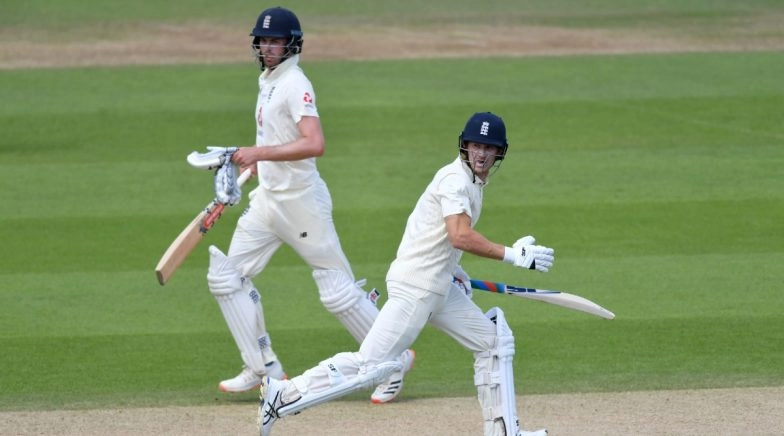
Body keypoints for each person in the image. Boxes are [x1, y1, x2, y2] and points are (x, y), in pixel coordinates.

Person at [258, 112, 555, 436]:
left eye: (489, 147)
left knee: (494, 341)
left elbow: (430, 233)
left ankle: (502, 430)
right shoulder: (454, 180)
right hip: (416, 288)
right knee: (371, 366)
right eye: (475, 145)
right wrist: (514, 255)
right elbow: (459, 235)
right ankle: (282, 394)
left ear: (500, 152)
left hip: (436, 285)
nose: (481, 153)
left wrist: (453, 269)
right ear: (465, 146)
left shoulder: (473, 183)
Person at [205, 6, 413, 403]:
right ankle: (262, 368)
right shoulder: (267, 80)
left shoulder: (295, 82)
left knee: (337, 291)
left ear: (291, 44)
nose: (267, 47)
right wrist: (252, 168)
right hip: (268, 202)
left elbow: (313, 143)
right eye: (262, 40)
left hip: (302, 204)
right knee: (226, 277)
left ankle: (394, 361)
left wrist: (256, 153)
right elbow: (273, 135)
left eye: (274, 41)